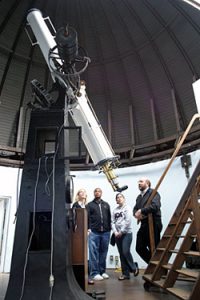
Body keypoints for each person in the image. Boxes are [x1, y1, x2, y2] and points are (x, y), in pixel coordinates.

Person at [133, 177, 163, 264]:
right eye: (138, 181)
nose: (139, 183)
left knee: (154, 247)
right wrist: (136, 214)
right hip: (144, 223)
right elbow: (135, 209)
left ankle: (160, 270)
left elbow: (155, 206)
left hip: (154, 222)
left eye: (141, 181)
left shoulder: (153, 193)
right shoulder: (139, 197)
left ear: (147, 183)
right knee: (139, 247)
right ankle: (153, 266)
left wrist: (141, 211)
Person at [112, 193, 139, 280]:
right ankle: (125, 274)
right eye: (117, 198)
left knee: (125, 251)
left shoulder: (127, 208)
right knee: (121, 254)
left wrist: (121, 232)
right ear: (116, 200)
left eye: (120, 197)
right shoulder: (115, 210)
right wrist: (115, 232)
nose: (119, 199)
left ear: (124, 199)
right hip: (117, 235)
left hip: (126, 234)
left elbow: (128, 221)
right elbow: (112, 222)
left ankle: (134, 267)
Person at [87, 188, 111, 281]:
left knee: (103, 252)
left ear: (101, 193)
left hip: (106, 232)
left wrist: (110, 229)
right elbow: (87, 218)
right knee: (93, 253)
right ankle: (94, 273)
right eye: (96, 191)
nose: (97, 192)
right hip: (94, 232)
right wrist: (88, 229)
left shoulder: (106, 205)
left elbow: (109, 217)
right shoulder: (89, 205)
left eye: (99, 191)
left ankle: (102, 271)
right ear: (94, 193)